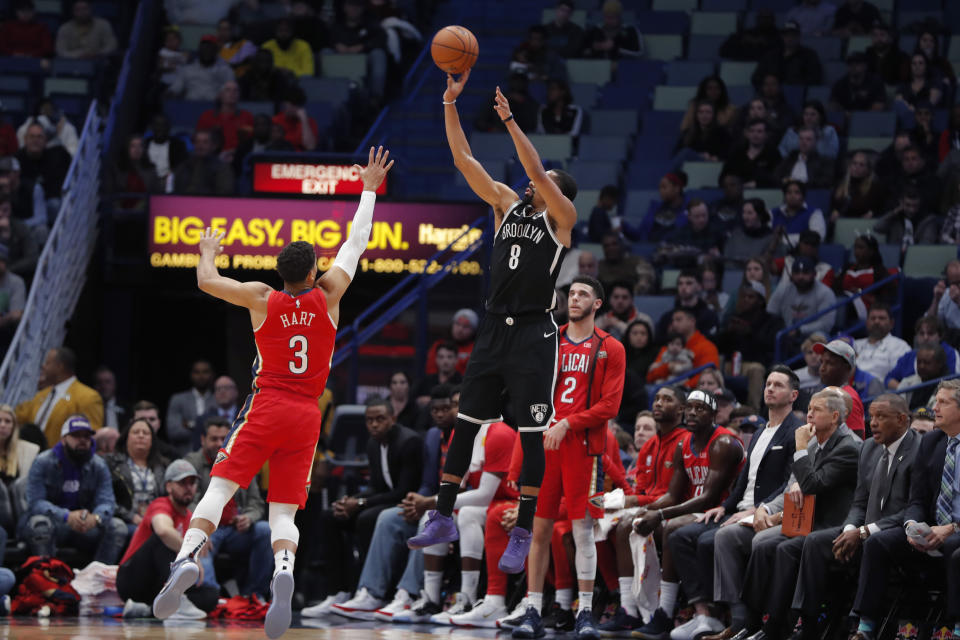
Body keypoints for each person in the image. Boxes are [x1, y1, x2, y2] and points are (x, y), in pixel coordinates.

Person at [151, 146, 393, 639]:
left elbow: (206, 281)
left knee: (220, 488)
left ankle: (186, 557)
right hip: (306, 415)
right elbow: (358, 240)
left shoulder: (262, 298)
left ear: (281, 272)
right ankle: (284, 569)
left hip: (266, 404)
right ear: (311, 272)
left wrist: (209, 251)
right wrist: (368, 186)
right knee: (284, 509)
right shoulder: (329, 296)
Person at [405, 71, 579, 576]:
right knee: (465, 421)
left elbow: (537, 168)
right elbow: (464, 160)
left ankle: (522, 530)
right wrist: (449, 105)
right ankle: (441, 515)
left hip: (534, 332)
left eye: (539, 182)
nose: (529, 183)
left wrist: (508, 119)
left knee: (529, 432)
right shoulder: (506, 205)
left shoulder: (560, 219)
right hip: (494, 327)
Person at [517, 276, 625, 639]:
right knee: (539, 529)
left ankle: (586, 613)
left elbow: (610, 405)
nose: (574, 298)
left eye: (583, 294)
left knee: (583, 532)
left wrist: (569, 423)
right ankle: (532, 609)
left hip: (585, 451)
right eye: (572, 293)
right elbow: (528, 388)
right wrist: (541, 420)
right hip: (546, 447)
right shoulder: (549, 340)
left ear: (597, 304)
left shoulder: (611, 347)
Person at [669, 367, 802, 640]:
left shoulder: (796, 432)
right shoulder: (761, 431)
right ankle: (703, 614)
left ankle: (735, 618)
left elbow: (791, 480)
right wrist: (725, 506)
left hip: (767, 511)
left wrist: (759, 507)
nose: (770, 389)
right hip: (740, 510)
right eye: (768, 384)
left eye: (778, 385)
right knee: (680, 536)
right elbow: (744, 479)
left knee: (714, 540)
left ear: (793, 395)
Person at [737, 387, 861, 640]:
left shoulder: (849, 447)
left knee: (784, 549)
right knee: (762, 545)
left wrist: (800, 448)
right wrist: (774, 510)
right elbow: (798, 482)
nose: (809, 415)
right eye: (810, 409)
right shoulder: (814, 441)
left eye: (816, 410)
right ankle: (752, 621)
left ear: (835, 416)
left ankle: (780, 625)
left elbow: (813, 485)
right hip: (805, 521)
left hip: (831, 525)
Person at [792, 392, 918, 640]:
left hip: (898, 532)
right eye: (872, 416)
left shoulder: (918, 450)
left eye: (881, 417)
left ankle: (860, 625)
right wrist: (851, 528)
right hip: (863, 530)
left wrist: (863, 532)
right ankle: (807, 624)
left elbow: (912, 508)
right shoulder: (869, 448)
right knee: (815, 542)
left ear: (903, 420)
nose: (873, 423)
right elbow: (859, 502)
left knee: (872, 543)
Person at [850, 379, 960, 640]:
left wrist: (952, 528)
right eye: (936, 401)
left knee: (955, 552)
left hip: (955, 530)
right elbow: (917, 500)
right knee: (878, 542)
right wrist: (912, 524)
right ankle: (865, 626)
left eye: (944, 402)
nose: (935, 407)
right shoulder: (932, 442)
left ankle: (956, 628)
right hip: (930, 529)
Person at [630, 390, 744, 640]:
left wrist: (659, 514)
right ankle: (631, 607)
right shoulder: (684, 445)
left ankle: (667, 611)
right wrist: (646, 511)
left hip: (724, 511)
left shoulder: (723, 443)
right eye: (690, 407)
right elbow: (673, 494)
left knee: (672, 528)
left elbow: (709, 498)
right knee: (630, 523)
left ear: (714, 415)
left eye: (700, 408)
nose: (692, 412)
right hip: (699, 512)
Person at [318, 397, 424, 614]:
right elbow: (376, 487)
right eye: (369, 420)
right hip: (384, 501)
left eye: (380, 419)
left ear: (392, 418)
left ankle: (372, 592)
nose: (374, 424)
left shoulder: (409, 442)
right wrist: (350, 500)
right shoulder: (373, 443)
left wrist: (360, 503)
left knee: (367, 518)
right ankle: (339, 591)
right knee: (331, 516)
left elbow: (403, 491)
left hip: (406, 505)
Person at [116, 459, 218, 619]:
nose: (188, 488)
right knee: (163, 539)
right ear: (168, 486)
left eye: (192, 483)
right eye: (182, 483)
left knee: (211, 595)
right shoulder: (160, 504)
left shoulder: (191, 518)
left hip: (158, 586)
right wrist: (191, 553)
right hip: (132, 579)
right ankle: (178, 601)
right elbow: (163, 530)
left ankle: (147, 610)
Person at [19, 415, 127, 563]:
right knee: (40, 524)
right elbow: (36, 503)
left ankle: (97, 577)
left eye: (87, 436)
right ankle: (47, 578)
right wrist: (66, 516)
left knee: (118, 527)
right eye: (76, 435)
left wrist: (95, 518)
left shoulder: (99, 465)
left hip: (85, 525)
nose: (82, 440)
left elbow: (107, 501)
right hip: (55, 522)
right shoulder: (43, 461)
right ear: (63, 439)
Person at [185, 417, 272, 600]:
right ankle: (211, 599)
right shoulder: (191, 463)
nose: (218, 443)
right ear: (202, 440)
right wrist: (202, 527)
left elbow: (256, 503)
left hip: (235, 530)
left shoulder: (243, 461)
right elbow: (187, 501)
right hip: (210, 529)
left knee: (265, 530)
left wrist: (249, 517)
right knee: (200, 544)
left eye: (223, 439)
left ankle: (254, 595)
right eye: (213, 438)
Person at [16, 347, 103, 447]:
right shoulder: (42, 394)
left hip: (62, 460)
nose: (43, 366)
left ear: (59, 366)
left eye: (47, 363)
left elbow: (91, 436)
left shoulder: (88, 397)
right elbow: (20, 417)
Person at [715, 282, 784, 407]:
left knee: (756, 369)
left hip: (755, 363)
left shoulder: (772, 321)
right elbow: (719, 347)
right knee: (715, 361)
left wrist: (749, 333)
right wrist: (727, 333)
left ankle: (753, 409)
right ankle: (716, 405)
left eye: (751, 297)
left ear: (760, 301)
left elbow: (771, 346)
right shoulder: (733, 318)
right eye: (743, 297)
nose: (745, 300)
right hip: (732, 362)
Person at [105, 417, 170, 537]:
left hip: (156, 521)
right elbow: (107, 498)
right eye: (136, 432)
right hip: (125, 521)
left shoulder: (163, 466)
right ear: (126, 438)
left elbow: (167, 499)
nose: (141, 436)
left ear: (152, 440)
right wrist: (131, 517)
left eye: (145, 433)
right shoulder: (112, 463)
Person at [766, 256, 837, 351]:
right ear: (791, 275)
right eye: (797, 273)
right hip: (786, 335)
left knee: (820, 337)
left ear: (814, 274)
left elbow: (826, 324)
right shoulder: (783, 289)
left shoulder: (825, 293)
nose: (801, 277)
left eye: (805, 273)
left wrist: (800, 330)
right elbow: (770, 313)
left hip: (811, 336)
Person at [329, 0, 389, 103]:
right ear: (344, 7)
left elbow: (381, 37)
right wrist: (336, 45)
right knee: (325, 52)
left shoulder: (370, 23)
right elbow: (324, 39)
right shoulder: (336, 25)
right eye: (351, 5)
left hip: (363, 61)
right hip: (339, 61)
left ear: (362, 8)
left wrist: (363, 47)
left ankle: (376, 97)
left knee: (378, 54)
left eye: (357, 6)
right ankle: (327, 91)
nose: (354, 9)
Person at [647, 308, 719, 388]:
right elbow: (650, 377)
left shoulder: (707, 347)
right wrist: (668, 366)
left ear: (692, 321)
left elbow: (709, 377)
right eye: (673, 320)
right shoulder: (668, 347)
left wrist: (681, 389)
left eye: (678, 320)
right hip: (664, 391)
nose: (674, 324)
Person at [886, 315, 960, 389]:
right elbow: (889, 379)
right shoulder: (909, 356)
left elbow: (953, 380)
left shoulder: (950, 353)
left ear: (940, 336)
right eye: (921, 334)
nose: (925, 337)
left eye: (930, 333)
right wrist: (905, 390)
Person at [836, 234, 896, 318]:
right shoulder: (847, 267)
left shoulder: (879, 271)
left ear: (871, 251)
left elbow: (885, 299)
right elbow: (836, 287)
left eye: (861, 248)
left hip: (865, 307)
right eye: (855, 247)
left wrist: (860, 292)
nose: (856, 251)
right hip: (845, 300)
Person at [815, 339, 866, 436]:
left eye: (829, 363)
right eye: (822, 362)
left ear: (846, 368)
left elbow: (856, 444)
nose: (822, 368)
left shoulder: (848, 399)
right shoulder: (829, 393)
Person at [751, 21, 822, 88]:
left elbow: (815, 78)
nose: (789, 38)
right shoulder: (770, 56)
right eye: (786, 35)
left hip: (798, 94)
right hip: (770, 94)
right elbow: (757, 78)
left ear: (799, 36)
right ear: (782, 36)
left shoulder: (809, 55)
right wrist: (769, 85)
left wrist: (794, 84)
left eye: (793, 35)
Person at [165, 359, 214, 456]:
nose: (201, 376)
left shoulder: (218, 400)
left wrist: (190, 425)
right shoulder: (178, 399)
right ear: (191, 375)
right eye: (197, 372)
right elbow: (173, 432)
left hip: (214, 457)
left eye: (205, 372)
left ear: (212, 375)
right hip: (183, 456)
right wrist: (205, 429)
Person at [654, 269, 720, 341]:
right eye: (680, 283)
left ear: (699, 286)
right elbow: (659, 343)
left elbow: (712, 342)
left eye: (689, 283)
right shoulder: (667, 317)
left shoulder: (709, 317)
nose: (683, 287)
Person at [167, 35, 235, 102]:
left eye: (210, 48)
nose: (206, 50)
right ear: (199, 50)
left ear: (216, 51)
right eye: (204, 47)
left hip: (215, 109)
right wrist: (168, 94)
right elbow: (175, 89)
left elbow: (233, 91)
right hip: (190, 107)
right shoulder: (187, 70)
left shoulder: (225, 70)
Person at [853, 303, 911, 382]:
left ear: (891, 323)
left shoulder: (901, 347)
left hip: (882, 392)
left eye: (882, 318)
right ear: (866, 323)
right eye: (873, 318)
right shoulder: (855, 344)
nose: (876, 321)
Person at [196, 81, 254, 154]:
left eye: (236, 90)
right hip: (212, 157)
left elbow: (249, 142)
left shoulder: (247, 117)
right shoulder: (206, 116)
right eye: (228, 90)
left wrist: (233, 152)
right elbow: (199, 141)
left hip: (238, 157)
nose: (232, 93)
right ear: (220, 94)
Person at [721, 119, 781, 189]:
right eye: (752, 131)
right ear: (747, 133)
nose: (755, 134)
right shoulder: (737, 153)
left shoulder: (774, 154)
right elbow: (723, 177)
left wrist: (758, 184)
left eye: (759, 131)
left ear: (766, 134)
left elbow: (777, 179)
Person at [173, 129, 234, 196]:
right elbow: (176, 189)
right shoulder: (184, 166)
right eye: (197, 142)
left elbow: (225, 192)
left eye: (205, 142)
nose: (200, 146)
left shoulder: (223, 168)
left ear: (214, 146)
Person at [830, 150, 886, 221]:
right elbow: (834, 208)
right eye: (854, 163)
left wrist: (872, 214)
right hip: (842, 224)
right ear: (850, 166)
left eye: (861, 165)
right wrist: (834, 213)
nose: (857, 167)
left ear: (868, 169)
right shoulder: (840, 185)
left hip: (864, 225)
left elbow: (879, 209)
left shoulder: (875, 187)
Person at [770, 180, 827, 244]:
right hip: (776, 252)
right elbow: (765, 238)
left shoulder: (814, 213)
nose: (792, 196)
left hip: (801, 253)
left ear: (803, 196)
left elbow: (818, 237)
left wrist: (782, 239)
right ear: (784, 195)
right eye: (789, 192)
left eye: (797, 192)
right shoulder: (773, 213)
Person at [424, 309, 477, 377]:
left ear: (473, 331)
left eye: (466, 326)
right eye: (458, 324)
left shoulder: (475, 350)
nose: (460, 329)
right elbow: (430, 371)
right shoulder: (439, 345)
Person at [639, 172, 688, 243]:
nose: (660, 191)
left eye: (664, 187)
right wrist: (624, 226)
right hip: (648, 247)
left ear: (677, 189)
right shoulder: (655, 207)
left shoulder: (688, 209)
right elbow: (639, 234)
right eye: (659, 188)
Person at [723, 200, 774, 266]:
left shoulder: (770, 238)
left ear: (759, 215)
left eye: (750, 213)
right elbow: (727, 260)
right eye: (744, 212)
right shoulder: (736, 235)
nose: (745, 217)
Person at [413, 341, 464, 409]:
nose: (445, 361)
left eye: (449, 357)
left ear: (456, 360)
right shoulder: (426, 381)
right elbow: (413, 400)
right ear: (436, 359)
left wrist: (432, 401)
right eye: (441, 357)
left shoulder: (462, 382)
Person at [193, 375, 239, 449]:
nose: (222, 391)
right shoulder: (202, 420)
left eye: (227, 388)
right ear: (214, 394)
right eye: (218, 389)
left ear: (236, 392)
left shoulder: (247, 416)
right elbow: (197, 448)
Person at [271, 87, 319, 152]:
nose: (294, 108)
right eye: (292, 104)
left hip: (300, 160)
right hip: (279, 158)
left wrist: (304, 120)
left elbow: (310, 147)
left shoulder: (309, 122)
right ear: (284, 104)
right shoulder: (275, 120)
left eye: (297, 105)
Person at [145, 113, 188, 183]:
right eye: (157, 125)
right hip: (147, 184)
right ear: (152, 127)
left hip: (171, 184)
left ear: (168, 127)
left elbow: (181, 168)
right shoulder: (144, 145)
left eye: (163, 125)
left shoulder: (178, 145)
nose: (160, 128)